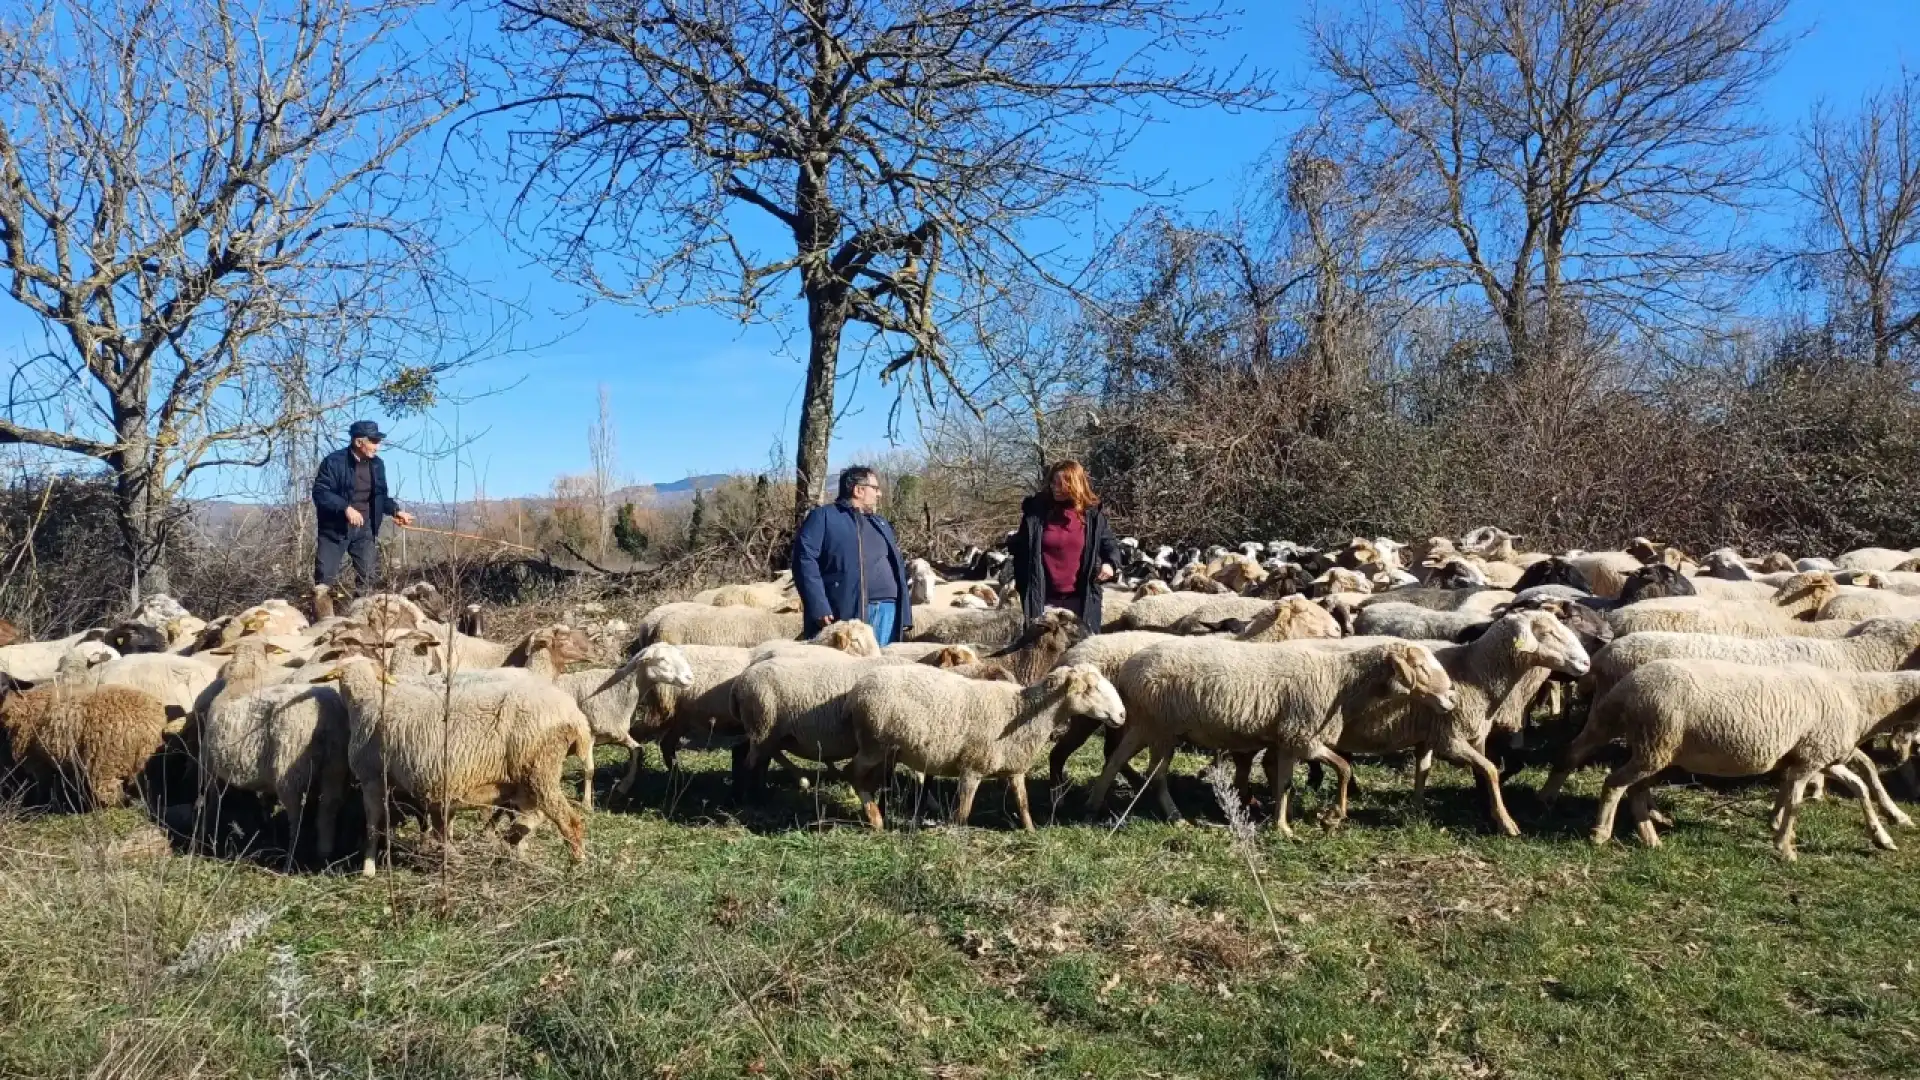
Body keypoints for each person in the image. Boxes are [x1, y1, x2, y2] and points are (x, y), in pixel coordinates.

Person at [791, 465, 913, 645]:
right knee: (851, 670)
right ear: (858, 490)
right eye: (875, 489)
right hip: (848, 613)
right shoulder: (824, 517)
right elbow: (804, 561)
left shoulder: (880, 523)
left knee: (882, 669)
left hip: (889, 610)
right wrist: (818, 605)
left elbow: (897, 567)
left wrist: (905, 614)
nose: (879, 494)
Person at [1011, 460, 1122, 631]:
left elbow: (1109, 545)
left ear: (1075, 485)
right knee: (1043, 654)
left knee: (1081, 654)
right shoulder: (1035, 515)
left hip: (1082, 601)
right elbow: (1020, 552)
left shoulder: (1093, 516)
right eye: (1053, 483)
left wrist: (1110, 563)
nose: (1056, 488)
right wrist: (1024, 587)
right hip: (1044, 601)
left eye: (1061, 484)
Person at [311, 420, 413, 589]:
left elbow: (380, 496)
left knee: (369, 577)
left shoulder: (378, 465)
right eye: (373, 441)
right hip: (334, 531)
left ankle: (360, 613)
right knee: (323, 580)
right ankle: (322, 615)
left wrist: (396, 511)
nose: (377, 446)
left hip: (365, 529)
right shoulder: (333, 462)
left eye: (378, 442)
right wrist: (346, 508)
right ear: (359, 442)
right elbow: (321, 492)